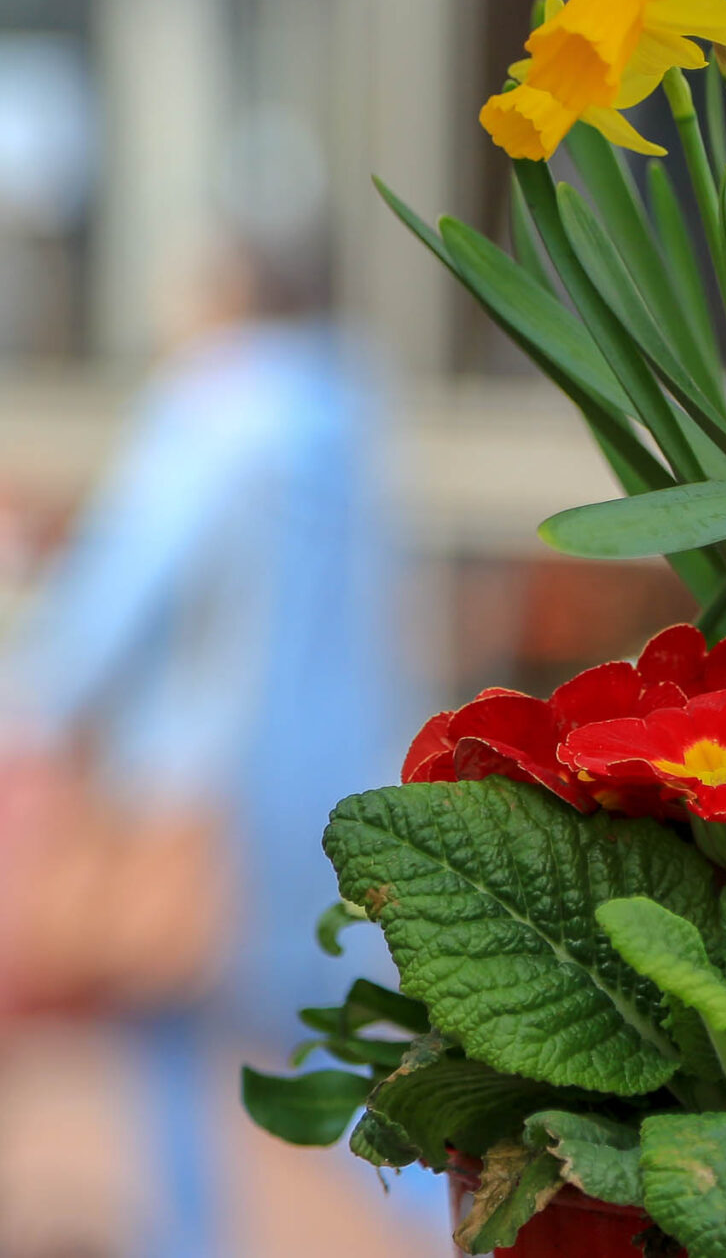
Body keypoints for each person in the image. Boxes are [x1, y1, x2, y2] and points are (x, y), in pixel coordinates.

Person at [0, 231, 439, 1256]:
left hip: (201, 791)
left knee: (182, 1014)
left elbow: (116, 597)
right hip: (339, 779)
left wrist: (30, 705)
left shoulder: (217, 412)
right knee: (336, 1037)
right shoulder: (352, 411)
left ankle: (195, 1238)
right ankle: (440, 1223)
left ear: (229, 295)